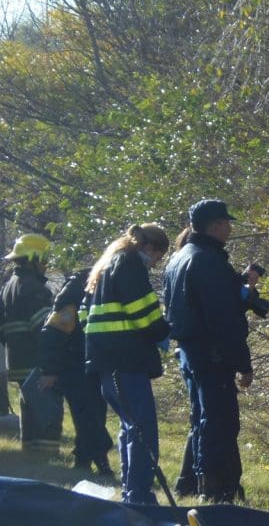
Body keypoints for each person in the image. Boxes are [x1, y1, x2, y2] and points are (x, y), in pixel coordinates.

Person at [164, 200, 254, 503]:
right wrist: (243, 364)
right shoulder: (209, 261)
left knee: (201, 417)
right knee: (220, 421)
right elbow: (223, 319)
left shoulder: (179, 259)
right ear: (214, 225)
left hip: (189, 352)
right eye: (226, 222)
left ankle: (188, 483)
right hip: (212, 353)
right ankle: (215, 491)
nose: (230, 228)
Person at [84, 224, 170, 505]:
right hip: (125, 360)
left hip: (108, 361)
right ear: (149, 248)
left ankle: (132, 492)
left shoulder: (107, 263)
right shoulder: (130, 263)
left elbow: (86, 313)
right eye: (158, 257)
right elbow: (143, 311)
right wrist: (163, 331)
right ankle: (139, 495)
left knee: (130, 428)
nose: (156, 264)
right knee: (143, 430)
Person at [38, 268, 114, 475]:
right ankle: (91, 460)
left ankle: (88, 460)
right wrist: (50, 370)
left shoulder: (92, 289)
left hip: (90, 364)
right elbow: (52, 334)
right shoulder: (75, 295)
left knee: (93, 415)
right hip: (74, 366)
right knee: (88, 416)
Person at [0, 234, 56, 452]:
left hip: (16, 358)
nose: (46, 264)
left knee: (28, 404)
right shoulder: (34, 288)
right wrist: (53, 357)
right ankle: (46, 453)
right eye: (44, 259)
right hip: (36, 358)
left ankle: (30, 450)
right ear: (33, 257)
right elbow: (44, 329)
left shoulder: (9, 286)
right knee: (46, 407)